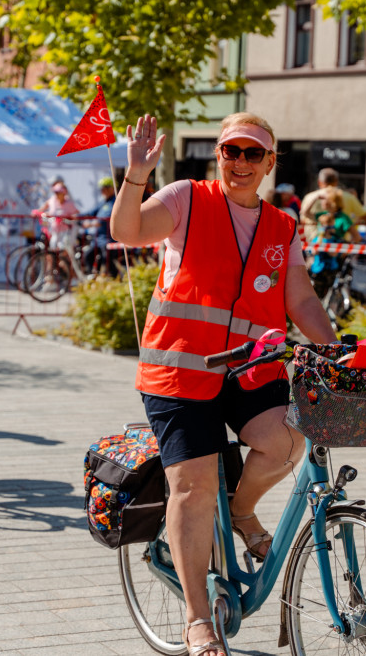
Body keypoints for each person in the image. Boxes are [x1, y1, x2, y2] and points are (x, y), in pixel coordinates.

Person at [110, 112, 335, 656]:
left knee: (288, 440)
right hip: (179, 368)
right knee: (193, 484)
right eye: (231, 151)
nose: (239, 162)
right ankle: (195, 619)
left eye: (252, 153)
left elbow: (298, 298)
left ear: (269, 163)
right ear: (218, 155)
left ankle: (240, 511)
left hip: (249, 368)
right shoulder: (187, 197)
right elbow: (127, 231)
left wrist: (335, 347)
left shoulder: (282, 225)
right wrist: (137, 174)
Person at [299, 168, 366, 238]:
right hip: (324, 248)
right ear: (336, 181)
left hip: (318, 247)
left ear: (319, 182)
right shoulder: (347, 197)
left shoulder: (309, 197)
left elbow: (303, 218)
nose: (323, 203)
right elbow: (365, 215)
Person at [83, 177, 118, 276]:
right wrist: (76, 216)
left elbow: (104, 219)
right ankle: (93, 277)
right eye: (102, 189)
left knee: (106, 260)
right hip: (98, 239)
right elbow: (91, 212)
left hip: (109, 239)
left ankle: (116, 278)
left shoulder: (114, 202)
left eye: (105, 188)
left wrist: (89, 224)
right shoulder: (103, 202)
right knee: (88, 256)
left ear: (111, 188)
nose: (103, 191)